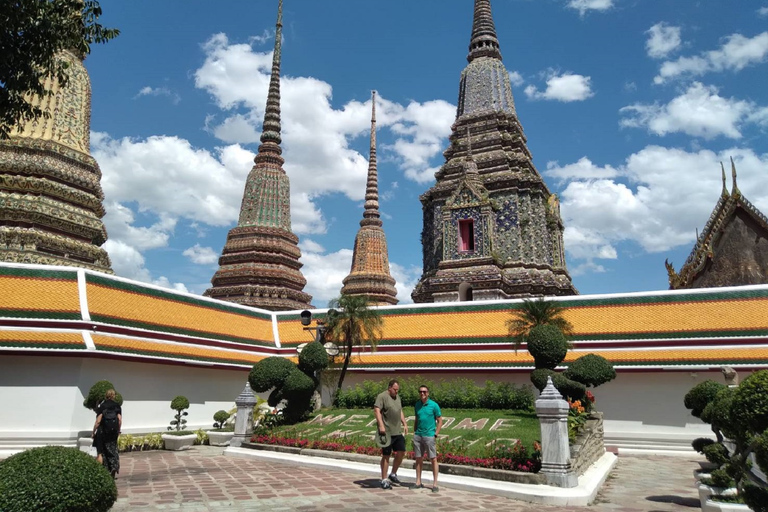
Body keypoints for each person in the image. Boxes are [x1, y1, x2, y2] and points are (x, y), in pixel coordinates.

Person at [373, 379, 408, 489]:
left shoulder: (397, 397)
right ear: (389, 388)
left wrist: (405, 423)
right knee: (386, 455)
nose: (396, 392)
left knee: (402, 452)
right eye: (394, 390)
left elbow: (400, 410)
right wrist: (381, 425)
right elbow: (377, 410)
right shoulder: (382, 396)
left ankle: (393, 474)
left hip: (397, 431)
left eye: (397, 390)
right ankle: (384, 479)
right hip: (386, 432)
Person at [411, 385, 443, 492]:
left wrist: (436, 434)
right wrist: (414, 431)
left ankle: (435, 484)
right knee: (418, 458)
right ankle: (418, 482)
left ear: (428, 393)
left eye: (424, 392)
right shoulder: (417, 405)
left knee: (433, 459)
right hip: (418, 435)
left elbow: (439, 420)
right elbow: (416, 418)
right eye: (420, 391)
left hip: (429, 435)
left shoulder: (434, 405)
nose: (422, 393)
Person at [92, 389, 122, 479]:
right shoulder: (117, 406)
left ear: (106, 395)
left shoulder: (103, 406)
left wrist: (93, 431)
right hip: (113, 432)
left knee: (103, 450)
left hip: (103, 431)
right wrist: (118, 430)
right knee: (113, 448)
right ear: (114, 396)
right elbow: (120, 420)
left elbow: (98, 421)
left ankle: (106, 469)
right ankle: (114, 466)